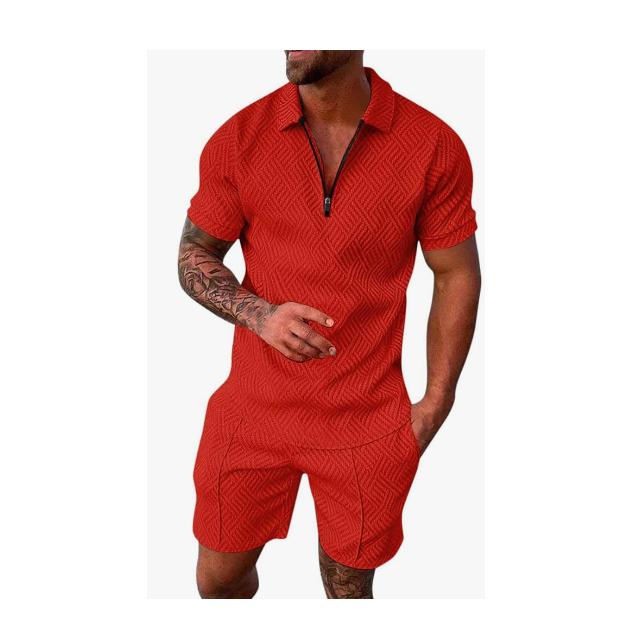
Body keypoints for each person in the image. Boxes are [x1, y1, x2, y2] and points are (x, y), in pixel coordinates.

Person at [178, 50, 481, 599]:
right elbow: (194, 254)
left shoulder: (432, 144)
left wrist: (437, 402)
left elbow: (455, 272)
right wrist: (261, 315)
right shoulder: (239, 138)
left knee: (347, 592)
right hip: (251, 411)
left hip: (366, 420)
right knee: (217, 582)